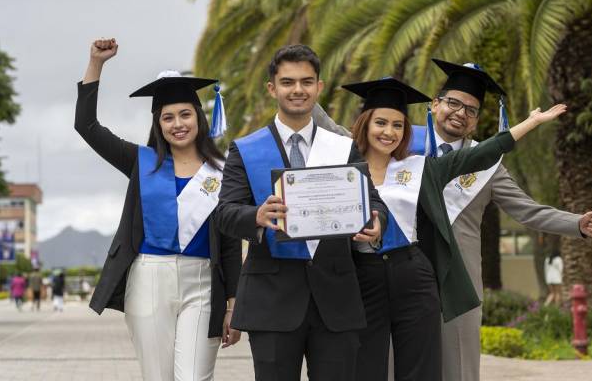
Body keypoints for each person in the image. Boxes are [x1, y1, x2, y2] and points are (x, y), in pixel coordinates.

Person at [314, 77, 566, 380]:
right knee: (367, 366)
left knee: (421, 367)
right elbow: (325, 129)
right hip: (364, 277)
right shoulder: (346, 170)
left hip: (412, 273)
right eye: (380, 123)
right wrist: (305, 92)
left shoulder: (419, 167)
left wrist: (531, 122)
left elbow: (482, 154)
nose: (389, 132)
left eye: (397, 125)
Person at [405, 60, 592, 381]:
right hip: (403, 272)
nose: (460, 113)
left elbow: (528, 210)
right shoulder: (398, 145)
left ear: (476, 121)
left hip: (459, 280)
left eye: (471, 110)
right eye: (453, 103)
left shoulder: (488, 165)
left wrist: (576, 223)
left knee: (458, 370)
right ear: (435, 104)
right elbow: (344, 138)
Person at [214, 44, 389, 381]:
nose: (298, 90)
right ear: (272, 88)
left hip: (336, 298)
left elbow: (374, 201)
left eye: (307, 82)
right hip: (272, 299)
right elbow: (224, 213)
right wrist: (257, 216)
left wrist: (377, 222)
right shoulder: (246, 148)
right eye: (288, 82)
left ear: (319, 87)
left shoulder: (342, 146)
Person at [75, 38, 242, 381]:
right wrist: (96, 64)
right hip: (149, 281)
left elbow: (228, 243)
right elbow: (87, 127)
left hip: (203, 284)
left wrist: (233, 304)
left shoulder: (223, 170)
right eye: (168, 117)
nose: (177, 123)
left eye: (185, 114)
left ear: (198, 118)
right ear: (159, 124)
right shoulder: (140, 162)